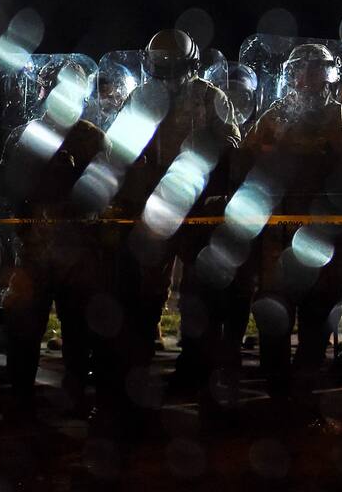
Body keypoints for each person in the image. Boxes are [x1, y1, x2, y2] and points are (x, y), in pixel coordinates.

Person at [111, 29, 240, 424]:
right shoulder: (141, 97)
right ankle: (139, 374)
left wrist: (210, 153)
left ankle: (195, 373)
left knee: (198, 295)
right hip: (155, 207)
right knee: (146, 293)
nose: (165, 75)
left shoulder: (209, 97)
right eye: (159, 67)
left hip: (197, 206)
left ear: (189, 65)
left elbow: (234, 141)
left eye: (172, 67)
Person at [239, 43, 342, 414]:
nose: (309, 79)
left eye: (316, 71)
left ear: (327, 76)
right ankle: (277, 383)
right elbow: (248, 160)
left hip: (321, 230)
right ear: (292, 76)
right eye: (303, 71)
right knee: (273, 304)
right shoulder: (275, 117)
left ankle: (305, 382)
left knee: (318, 307)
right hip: (279, 229)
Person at [0, 58, 109, 418]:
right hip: (35, 249)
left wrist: (74, 175)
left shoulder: (91, 137)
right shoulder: (28, 135)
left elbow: (106, 191)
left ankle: (76, 395)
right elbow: (9, 188)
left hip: (78, 252)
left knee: (78, 330)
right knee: (25, 327)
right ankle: (20, 396)